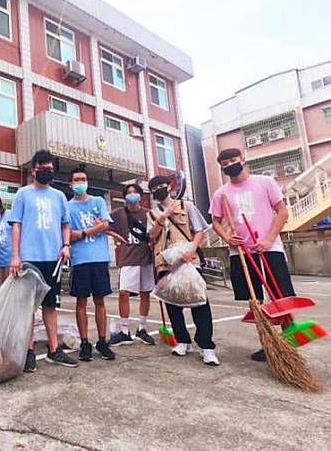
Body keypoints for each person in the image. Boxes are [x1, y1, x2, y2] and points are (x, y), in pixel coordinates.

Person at [209, 147, 295, 362]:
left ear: (242, 158)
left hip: (269, 248)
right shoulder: (221, 193)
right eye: (225, 163)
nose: (230, 165)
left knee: (280, 296)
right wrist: (228, 238)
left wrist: (267, 240)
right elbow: (216, 223)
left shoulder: (265, 182)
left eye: (232, 160)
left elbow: (282, 211)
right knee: (255, 301)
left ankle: (289, 342)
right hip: (241, 253)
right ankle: (267, 343)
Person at [9, 149, 79, 371]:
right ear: (33, 170)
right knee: (28, 307)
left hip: (53, 258)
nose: (46, 173)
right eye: (42, 169)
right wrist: (15, 255)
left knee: (50, 305)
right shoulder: (22, 194)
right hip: (29, 258)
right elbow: (16, 225)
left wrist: (66, 245)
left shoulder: (59, 196)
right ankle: (28, 351)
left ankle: (54, 349)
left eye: (50, 169)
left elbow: (65, 224)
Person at [147, 175, 220, 366]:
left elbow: (199, 231)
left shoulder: (186, 206)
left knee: (199, 301)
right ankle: (182, 341)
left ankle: (207, 346)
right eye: (153, 189)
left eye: (161, 186)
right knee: (172, 302)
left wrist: (191, 250)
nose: (158, 190)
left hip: (189, 260)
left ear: (169, 187)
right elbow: (152, 237)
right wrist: (163, 217)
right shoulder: (152, 213)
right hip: (165, 261)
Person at [67, 167, 115, 361]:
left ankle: (102, 341)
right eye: (76, 180)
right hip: (79, 260)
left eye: (83, 179)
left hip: (100, 258)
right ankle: (85, 342)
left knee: (100, 301)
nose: (80, 182)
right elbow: (69, 234)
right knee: (81, 302)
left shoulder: (98, 201)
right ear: (71, 184)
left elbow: (106, 224)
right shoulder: (68, 206)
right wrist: (93, 229)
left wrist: (83, 232)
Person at [107, 183, 156, 346]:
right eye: (129, 193)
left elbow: (157, 232)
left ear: (141, 196)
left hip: (146, 258)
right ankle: (124, 330)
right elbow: (104, 226)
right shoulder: (118, 213)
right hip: (128, 258)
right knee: (124, 292)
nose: (132, 195)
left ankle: (142, 328)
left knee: (145, 293)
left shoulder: (149, 214)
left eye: (135, 192)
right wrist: (117, 237)